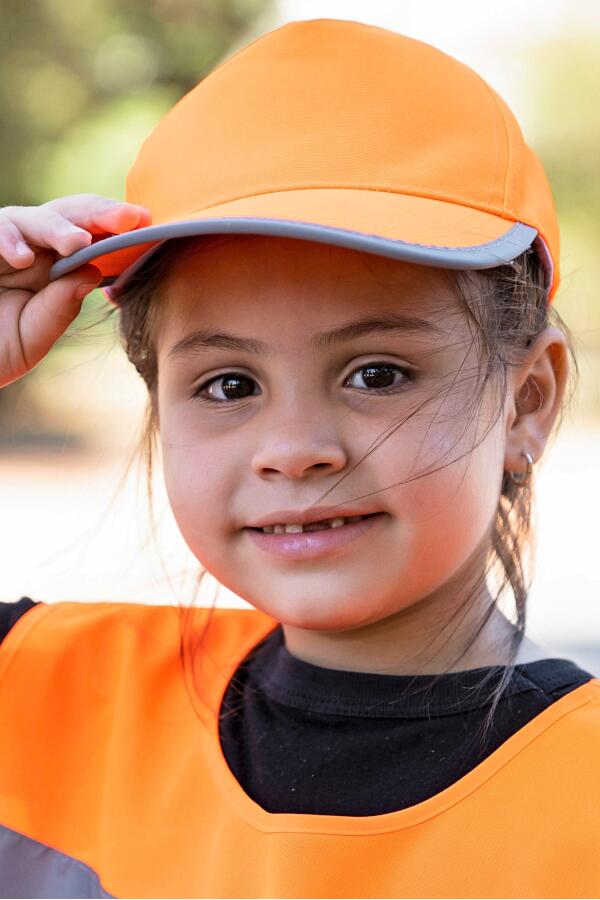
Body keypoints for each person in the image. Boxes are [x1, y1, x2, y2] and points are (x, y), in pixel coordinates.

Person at [0, 17, 598, 899]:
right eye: (229, 385)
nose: (294, 451)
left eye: (377, 372)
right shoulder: (45, 694)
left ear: (527, 402)